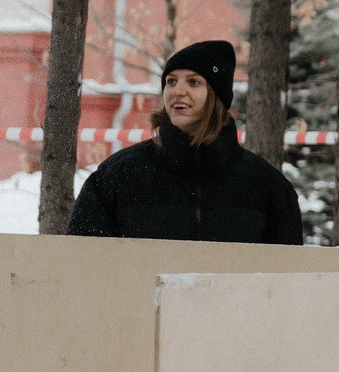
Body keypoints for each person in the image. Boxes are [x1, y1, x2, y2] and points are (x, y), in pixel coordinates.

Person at [68, 39, 304, 244]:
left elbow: (286, 280)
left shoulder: (266, 186)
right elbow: (84, 264)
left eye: (193, 82)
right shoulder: (118, 175)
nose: (177, 91)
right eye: (171, 81)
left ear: (217, 96)